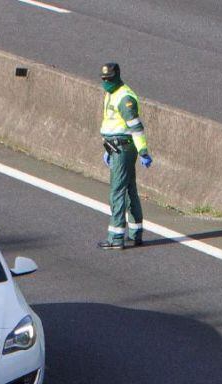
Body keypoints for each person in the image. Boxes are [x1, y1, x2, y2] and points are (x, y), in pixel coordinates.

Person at [97, 62, 151, 250]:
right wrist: (107, 149)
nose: (106, 82)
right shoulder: (111, 93)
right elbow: (112, 124)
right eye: (103, 79)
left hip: (123, 148)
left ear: (117, 77)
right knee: (129, 189)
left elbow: (136, 127)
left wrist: (143, 151)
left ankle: (116, 237)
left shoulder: (125, 97)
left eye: (109, 79)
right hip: (115, 146)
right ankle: (136, 233)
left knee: (117, 191)